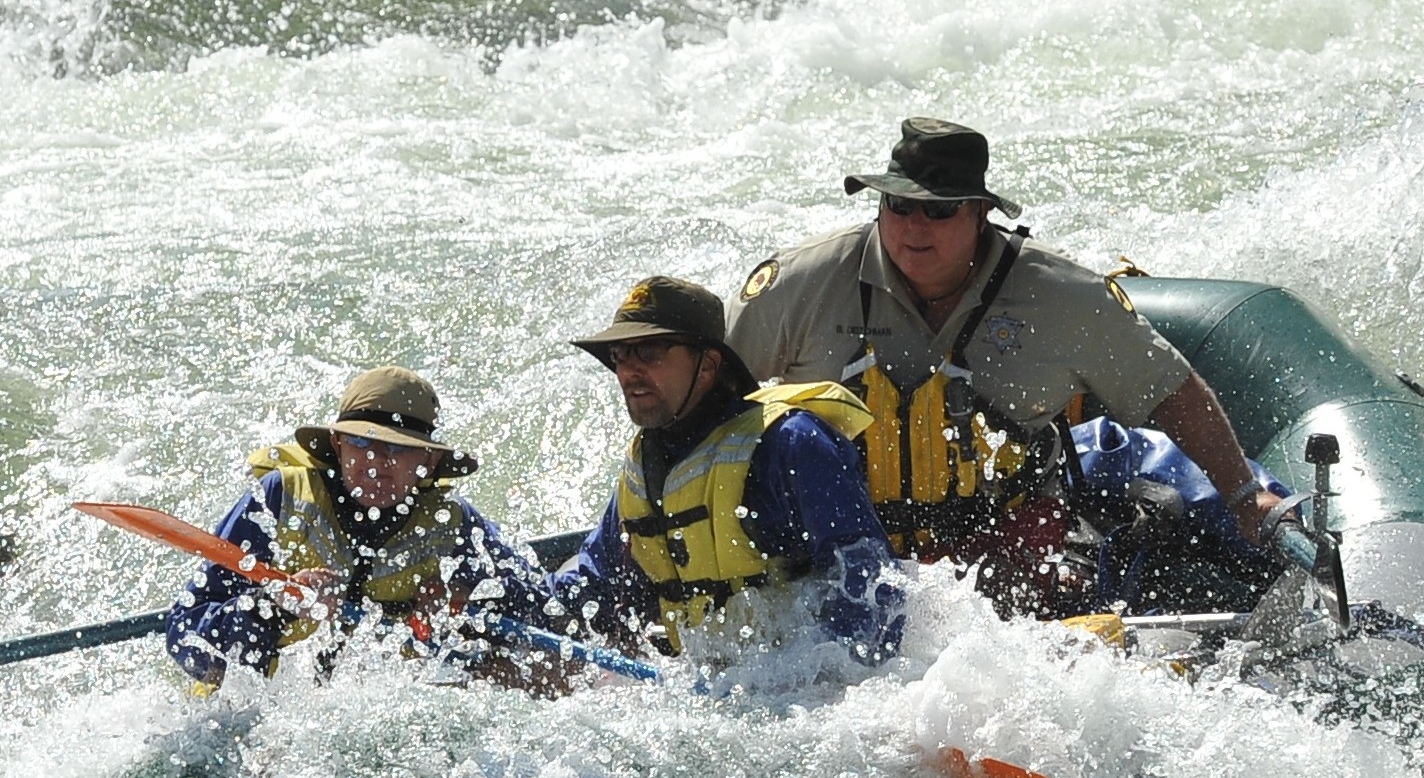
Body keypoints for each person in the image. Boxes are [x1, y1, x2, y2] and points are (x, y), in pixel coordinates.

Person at [724, 116, 1289, 614]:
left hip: (1004, 555)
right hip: (833, 557)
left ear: (980, 214)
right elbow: (700, 396)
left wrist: (1242, 497)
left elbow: (1170, 391)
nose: (915, 226)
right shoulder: (801, 285)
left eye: (939, 210)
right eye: (899, 205)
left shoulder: (1065, 299)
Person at [551, 276, 904, 664]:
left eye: (649, 351)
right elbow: (579, 599)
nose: (629, 371)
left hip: (803, 698)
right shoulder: (647, 470)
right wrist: (475, 544)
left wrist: (813, 689)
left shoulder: (790, 446)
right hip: (710, 696)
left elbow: (874, 596)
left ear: (707, 366)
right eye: (621, 354)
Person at [164, 366, 554, 683]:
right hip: (258, 716)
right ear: (337, 445)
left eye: (398, 448)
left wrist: (472, 603)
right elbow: (184, 634)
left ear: (429, 463)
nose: (376, 462)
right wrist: (274, 608)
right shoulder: (279, 499)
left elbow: (540, 607)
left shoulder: (451, 523)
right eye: (362, 444)